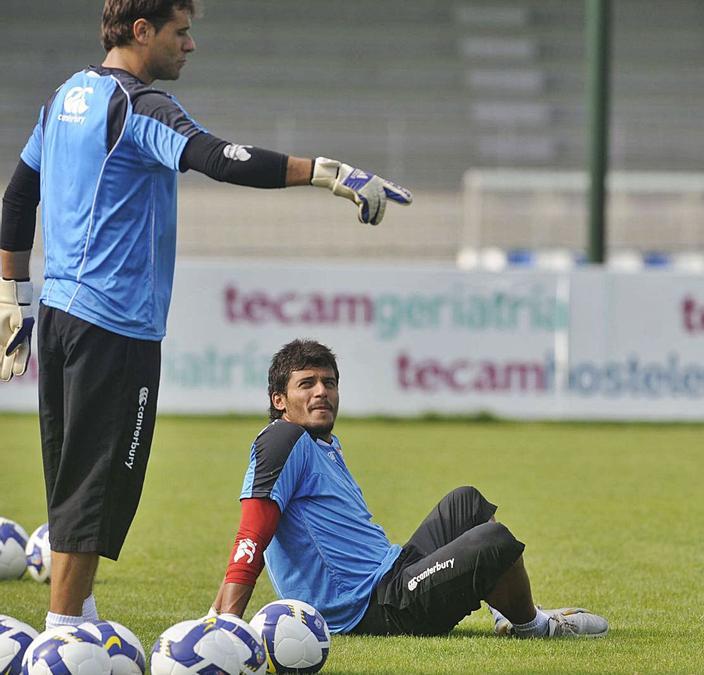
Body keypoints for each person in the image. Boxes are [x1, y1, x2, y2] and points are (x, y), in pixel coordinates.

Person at [0, 0, 412, 631]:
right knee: (98, 488)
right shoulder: (136, 106)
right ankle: (63, 640)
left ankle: (77, 616)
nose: (190, 45)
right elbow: (221, 158)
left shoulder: (63, 99)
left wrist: (14, 296)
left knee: (70, 478)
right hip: (115, 326)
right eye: (181, 31)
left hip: (60, 316)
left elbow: (18, 195)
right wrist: (327, 173)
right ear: (142, 31)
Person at [208, 339, 609, 639]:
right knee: (494, 540)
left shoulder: (324, 445)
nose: (321, 392)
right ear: (279, 400)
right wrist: (224, 624)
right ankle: (535, 627)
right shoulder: (283, 438)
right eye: (306, 384)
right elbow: (252, 533)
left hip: (393, 571)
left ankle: (505, 613)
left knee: (465, 501)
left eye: (329, 382)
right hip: (374, 608)